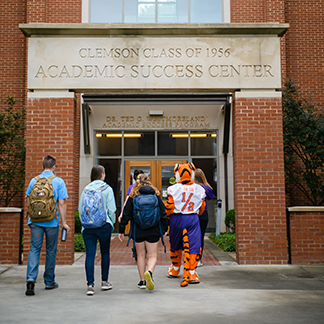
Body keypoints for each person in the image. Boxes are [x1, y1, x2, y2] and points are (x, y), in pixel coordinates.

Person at [25, 155, 70, 296]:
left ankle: (31, 279)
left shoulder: (34, 180)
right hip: (52, 222)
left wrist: (33, 215)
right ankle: (49, 281)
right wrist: (64, 223)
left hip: (35, 222)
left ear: (43, 166)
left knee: (34, 248)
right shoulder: (58, 181)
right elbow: (62, 203)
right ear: (54, 166)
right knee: (50, 250)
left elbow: (28, 198)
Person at [118, 173, 168, 291]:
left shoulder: (133, 196)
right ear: (149, 181)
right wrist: (165, 229)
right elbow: (163, 214)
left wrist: (121, 230)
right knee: (152, 255)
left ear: (137, 182)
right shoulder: (156, 196)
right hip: (154, 229)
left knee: (140, 255)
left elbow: (126, 214)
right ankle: (149, 272)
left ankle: (142, 281)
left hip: (138, 230)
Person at [165, 162, 205, 287]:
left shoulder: (173, 188)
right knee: (193, 245)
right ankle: (192, 272)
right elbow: (202, 207)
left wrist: (167, 217)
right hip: (192, 217)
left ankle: (175, 268)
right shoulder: (199, 188)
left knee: (175, 243)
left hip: (177, 218)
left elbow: (170, 207)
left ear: (177, 173)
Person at [78, 165, 116, 296]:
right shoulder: (107, 189)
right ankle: (104, 282)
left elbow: (80, 209)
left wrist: (85, 222)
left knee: (90, 254)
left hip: (88, 227)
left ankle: (90, 285)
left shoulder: (86, 190)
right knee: (105, 252)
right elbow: (112, 209)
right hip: (103, 225)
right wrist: (111, 222)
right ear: (102, 174)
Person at [194, 168, 215, 267]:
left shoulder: (191, 187)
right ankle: (198, 259)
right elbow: (210, 199)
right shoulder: (206, 187)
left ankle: (191, 258)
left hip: (193, 214)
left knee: (191, 236)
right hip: (203, 214)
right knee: (200, 236)